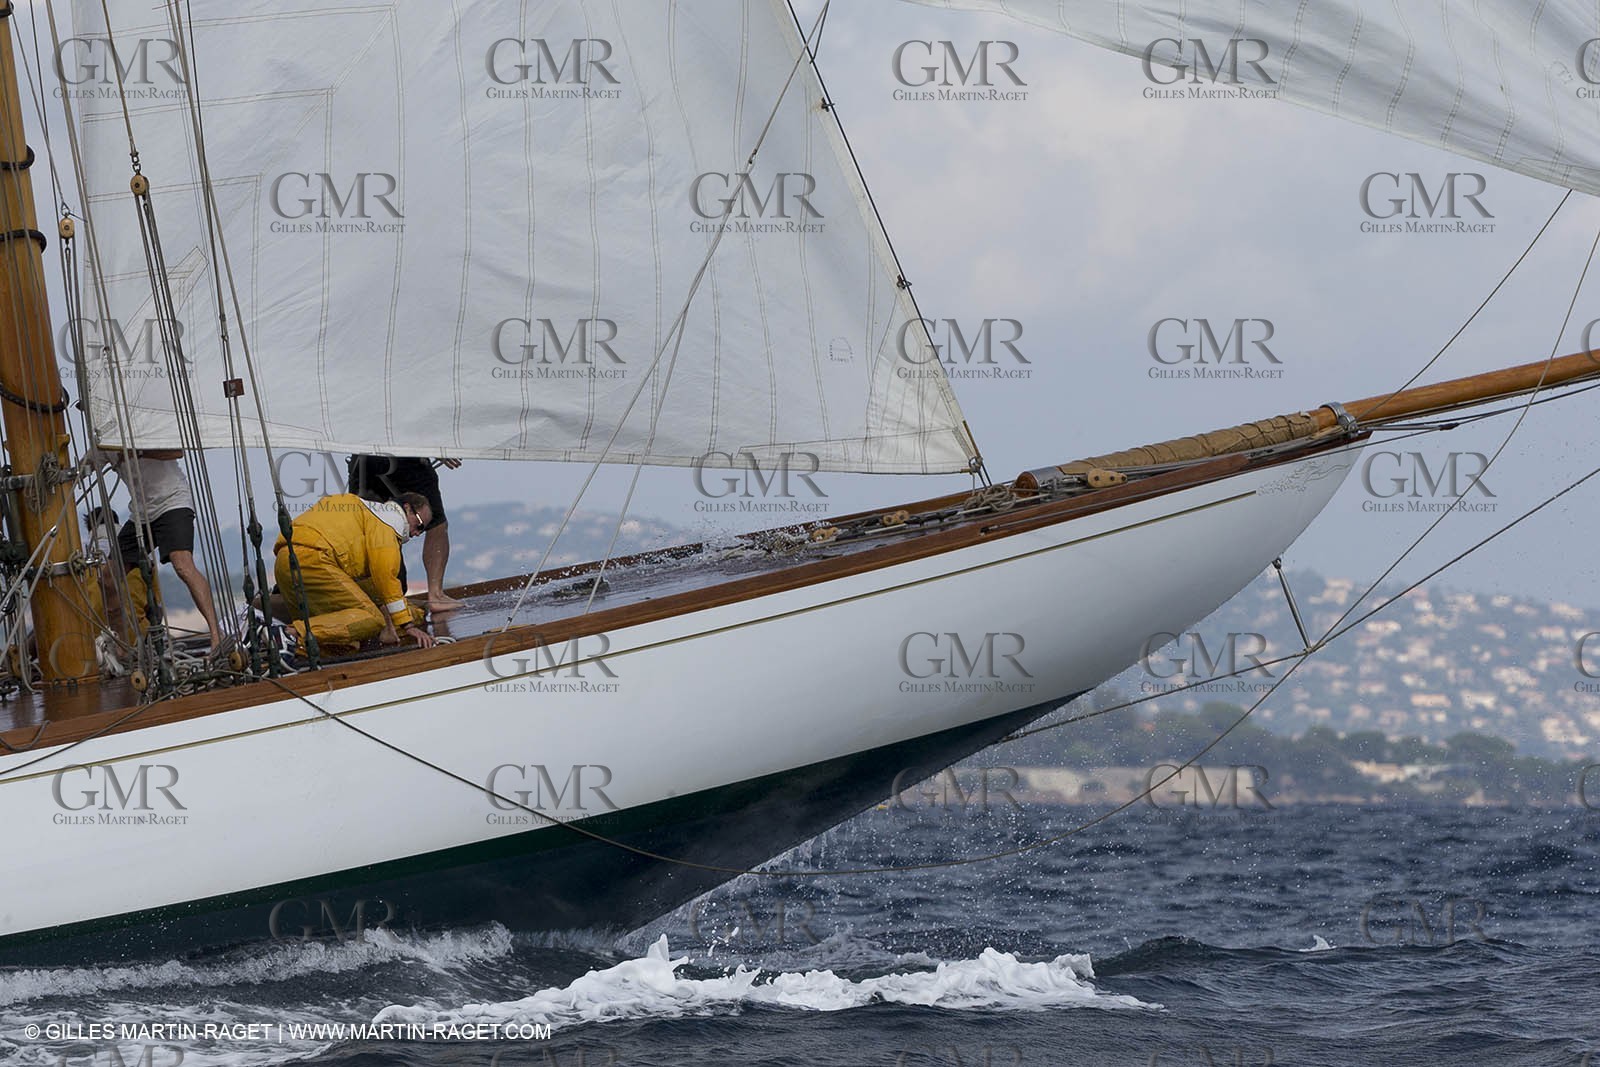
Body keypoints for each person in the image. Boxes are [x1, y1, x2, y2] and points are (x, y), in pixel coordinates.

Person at [274, 490, 437, 657]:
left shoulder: (360, 509)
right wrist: (407, 626)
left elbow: (376, 590)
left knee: (338, 642)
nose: (417, 533)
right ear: (407, 508)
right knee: (372, 619)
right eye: (419, 525)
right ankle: (289, 634)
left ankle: (288, 646)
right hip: (313, 561)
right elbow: (385, 577)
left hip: (285, 562)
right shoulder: (389, 521)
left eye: (422, 530)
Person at [93, 448, 224, 651]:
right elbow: (81, 468)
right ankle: (124, 648)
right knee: (107, 579)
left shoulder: (143, 425)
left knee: (183, 565)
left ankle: (217, 638)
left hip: (173, 502)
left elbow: (176, 452)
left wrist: (137, 451)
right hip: (141, 514)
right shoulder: (103, 441)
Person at [347, 454, 463, 612]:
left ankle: (383, 601)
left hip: (362, 457)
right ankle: (435, 595)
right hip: (402, 456)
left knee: (371, 526)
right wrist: (437, 445)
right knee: (436, 523)